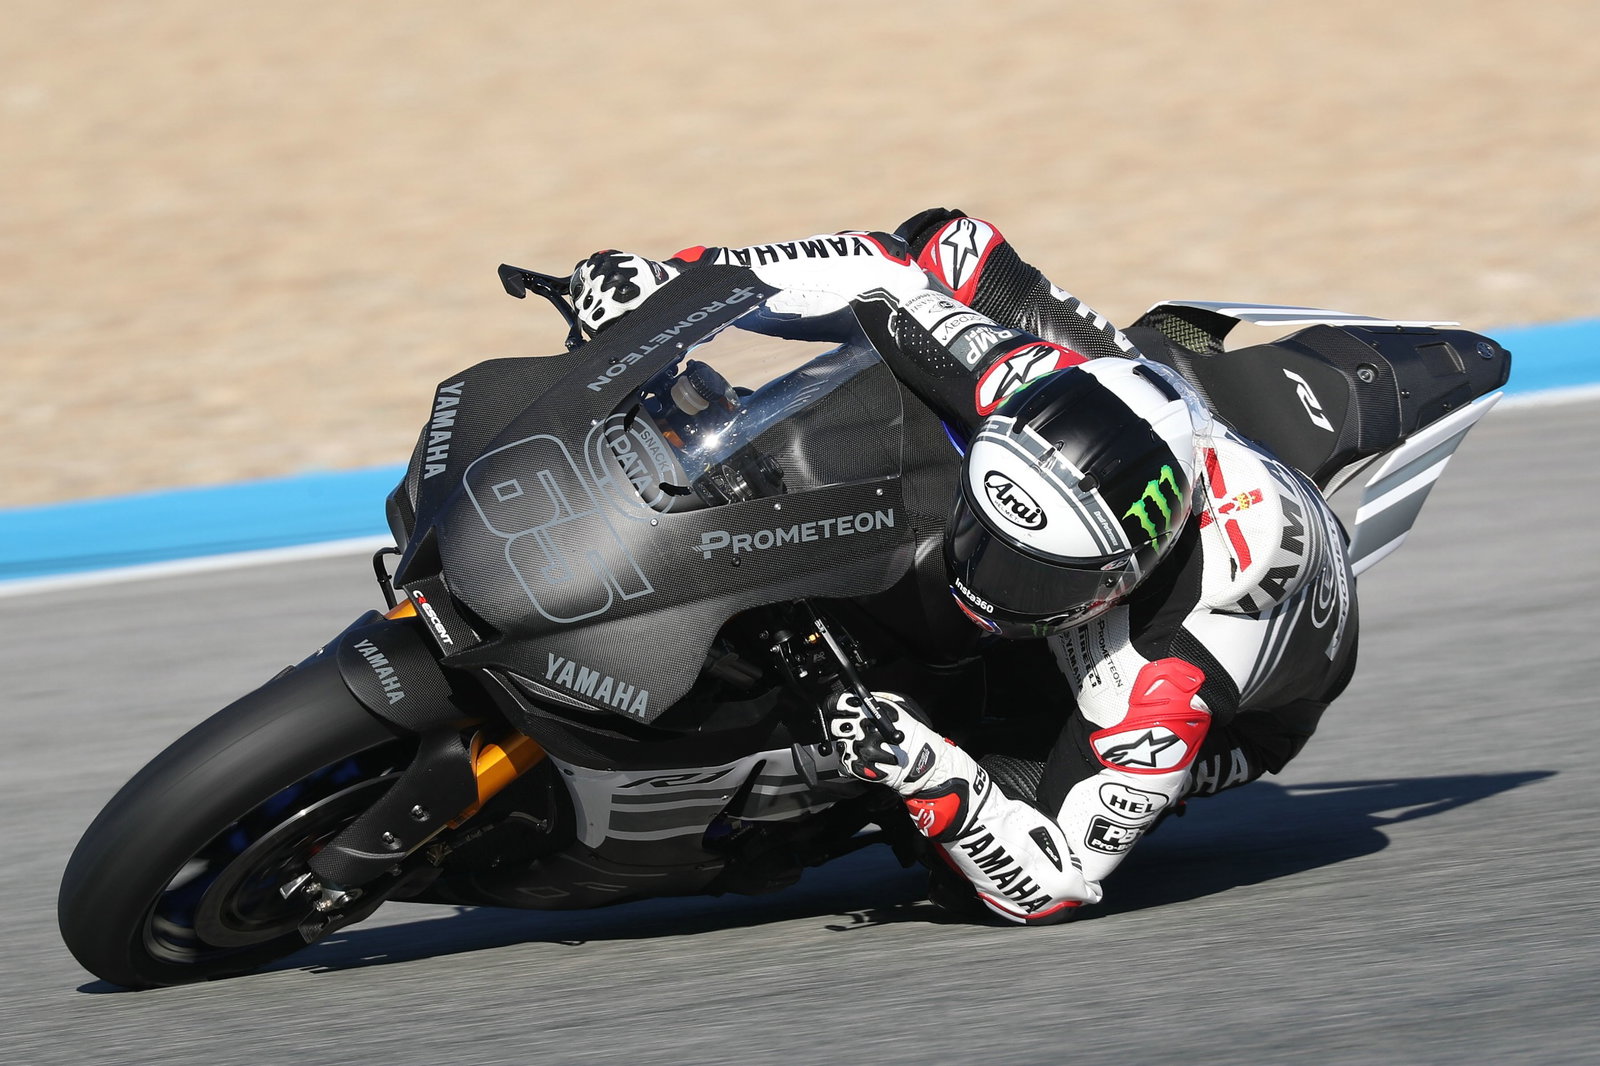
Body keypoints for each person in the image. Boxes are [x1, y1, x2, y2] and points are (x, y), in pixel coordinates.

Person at [569, 209, 1358, 923]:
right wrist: (678, 287)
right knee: (951, 243)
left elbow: (1060, 880)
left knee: (962, 846)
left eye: (1036, 579)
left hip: (1249, 713)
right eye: (989, 543)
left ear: (1124, 576)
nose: (986, 589)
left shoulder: (1166, 681)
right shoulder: (1018, 381)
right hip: (1159, 437)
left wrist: (930, 774)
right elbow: (875, 274)